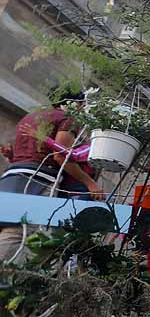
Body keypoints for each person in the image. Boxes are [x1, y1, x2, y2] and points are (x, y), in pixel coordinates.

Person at [0, 93, 106, 262]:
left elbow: (27, 154)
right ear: (75, 103)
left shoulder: (30, 117)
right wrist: (91, 183)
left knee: (6, 226)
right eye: (83, 104)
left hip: (12, 176)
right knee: (24, 231)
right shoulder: (68, 118)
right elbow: (61, 156)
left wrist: (11, 156)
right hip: (39, 179)